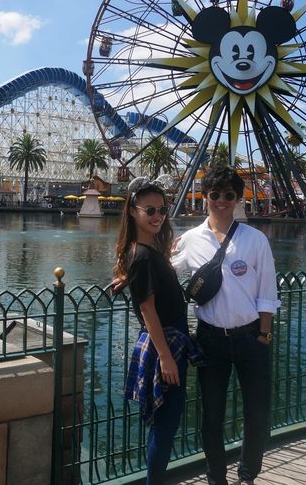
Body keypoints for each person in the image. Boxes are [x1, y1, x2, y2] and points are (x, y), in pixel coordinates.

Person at [171, 165, 280, 485]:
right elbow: (167, 272)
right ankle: (216, 478)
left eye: (228, 195)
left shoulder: (255, 239)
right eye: (215, 194)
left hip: (251, 336)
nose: (221, 201)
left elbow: (267, 291)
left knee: (257, 413)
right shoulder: (190, 240)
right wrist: (133, 267)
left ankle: (247, 475)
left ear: (238, 199)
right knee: (211, 415)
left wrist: (264, 334)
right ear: (204, 197)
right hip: (210, 339)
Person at [114, 176, 201, 485]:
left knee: (165, 421)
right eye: (149, 210)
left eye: (162, 210)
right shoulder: (141, 255)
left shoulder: (147, 252)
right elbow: (147, 309)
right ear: (132, 211)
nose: (157, 216)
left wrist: (127, 277)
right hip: (166, 343)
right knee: (166, 424)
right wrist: (165, 357)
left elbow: (148, 282)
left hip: (168, 340)